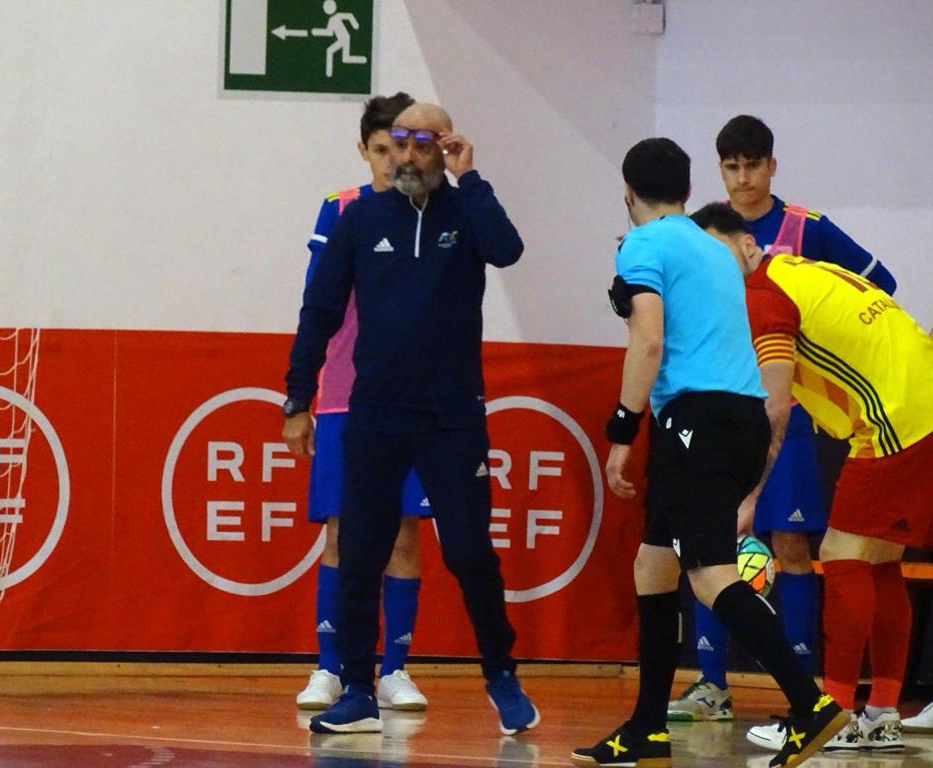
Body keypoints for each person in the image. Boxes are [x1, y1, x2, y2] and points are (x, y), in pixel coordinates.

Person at [570, 138, 846, 768]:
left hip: (696, 420)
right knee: (653, 565)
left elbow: (648, 342)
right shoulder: (716, 247)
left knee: (709, 573)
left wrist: (621, 428)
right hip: (741, 419)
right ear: (690, 190)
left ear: (627, 191)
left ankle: (811, 705)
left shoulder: (644, 243)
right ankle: (646, 728)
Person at [282, 101, 539, 736]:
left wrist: (472, 179)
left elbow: (508, 251)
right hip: (375, 416)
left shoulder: (465, 212)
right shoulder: (361, 219)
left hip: (453, 417)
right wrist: (296, 400)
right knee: (361, 552)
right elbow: (319, 311)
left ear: (443, 148)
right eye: (396, 143)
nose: (405, 156)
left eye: (420, 144)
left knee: (471, 552)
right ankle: (357, 692)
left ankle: (502, 677)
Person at [670, 114, 898, 724]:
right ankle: (711, 685)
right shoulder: (703, 232)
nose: (742, 178)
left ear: (772, 165)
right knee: (708, 540)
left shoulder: (807, 229)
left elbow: (882, 284)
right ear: (720, 170)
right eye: (731, 166)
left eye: (753, 165)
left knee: (794, 543)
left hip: (790, 412)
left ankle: (800, 688)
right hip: (720, 402)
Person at [690, 202, 933, 753]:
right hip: (921, 400)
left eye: (719, 252)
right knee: (881, 563)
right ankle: (884, 714)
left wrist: (749, 497)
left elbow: (775, 408)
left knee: (843, 554)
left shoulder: (762, 298)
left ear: (748, 244)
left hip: (898, 418)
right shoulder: (802, 269)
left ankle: (834, 716)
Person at [295, 92, 429, 714]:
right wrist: (299, 395)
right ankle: (331, 669)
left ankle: (394, 670)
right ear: (365, 150)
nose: (391, 159)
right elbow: (318, 305)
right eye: (381, 148)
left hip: (416, 400)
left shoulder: (438, 213)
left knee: (404, 533)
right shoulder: (340, 210)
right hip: (346, 396)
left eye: (402, 147)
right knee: (343, 531)